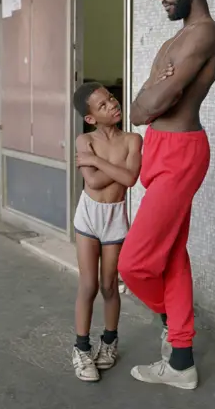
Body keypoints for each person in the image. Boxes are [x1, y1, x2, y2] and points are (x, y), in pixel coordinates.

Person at [118, 0, 215, 390]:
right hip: (159, 150)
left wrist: (151, 97)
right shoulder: (170, 42)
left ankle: (172, 322)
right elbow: (139, 99)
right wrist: (148, 98)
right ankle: (181, 360)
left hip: (181, 151)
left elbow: (150, 105)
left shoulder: (205, 35)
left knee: (134, 262)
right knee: (173, 256)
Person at [72, 82, 142, 382]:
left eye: (111, 99)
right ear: (91, 119)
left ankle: (109, 342)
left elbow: (129, 179)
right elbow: (95, 184)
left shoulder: (132, 139)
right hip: (89, 216)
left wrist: (98, 161)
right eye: (102, 106)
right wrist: (106, 169)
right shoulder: (83, 140)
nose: (112, 105)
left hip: (115, 218)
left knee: (109, 285)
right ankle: (81, 348)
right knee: (88, 286)